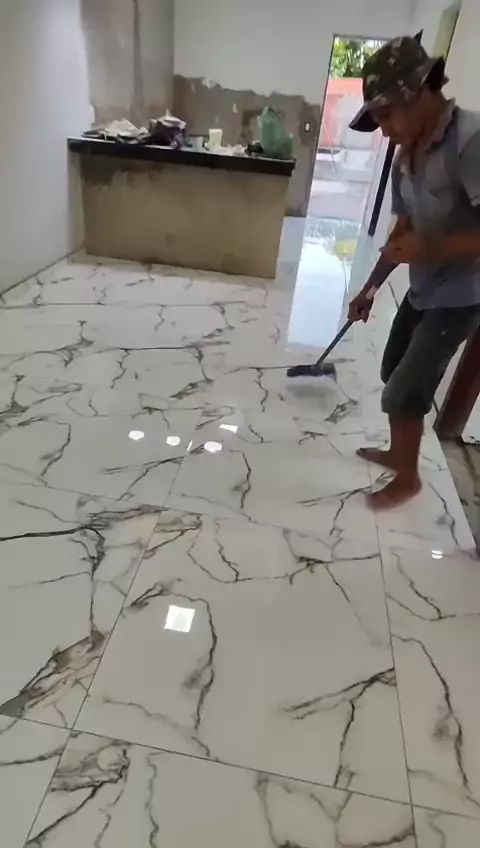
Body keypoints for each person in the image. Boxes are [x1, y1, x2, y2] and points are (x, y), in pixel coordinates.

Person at [348, 35, 480, 509]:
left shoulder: (470, 142)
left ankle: (408, 479)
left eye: (387, 115)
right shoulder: (407, 153)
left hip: (461, 296)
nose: (384, 131)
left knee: (405, 389)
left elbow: (425, 242)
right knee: (392, 371)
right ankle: (396, 451)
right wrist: (369, 287)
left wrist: (432, 247)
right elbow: (402, 232)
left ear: (421, 91)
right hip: (423, 288)